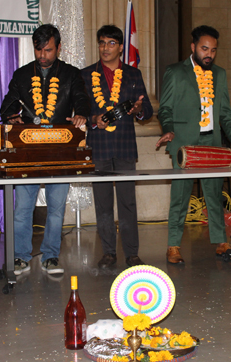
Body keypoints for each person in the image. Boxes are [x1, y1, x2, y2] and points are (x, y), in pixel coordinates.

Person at [156, 25, 231, 264]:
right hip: (184, 142)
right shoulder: (175, 71)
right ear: (193, 47)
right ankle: (173, 246)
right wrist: (168, 129)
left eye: (213, 50)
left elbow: (225, 113)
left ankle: (221, 241)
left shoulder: (219, 74)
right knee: (180, 195)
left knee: (213, 193)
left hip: (212, 141)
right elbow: (165, 108)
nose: (209, 54)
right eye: (204, 48)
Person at [0, 24, 90, 276]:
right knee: (22, 210)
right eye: (39, 50)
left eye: (48, 50)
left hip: (60, 150)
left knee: (56, 209)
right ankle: (20, 257)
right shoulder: (21, 75)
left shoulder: (71, 75)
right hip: (28, 152)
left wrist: (81, 113)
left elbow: (81, 99)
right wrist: (11, 118)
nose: (42, 56)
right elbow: (7, 106)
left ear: (58, 48)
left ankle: (51, 256)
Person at [81, 25, 153, 269]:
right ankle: (109, 253)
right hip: (98, 146)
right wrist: (93, 119)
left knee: (127, 202)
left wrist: (138, 110)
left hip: (123, 146)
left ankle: (132, 253)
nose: (105, 48)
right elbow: (79, 113)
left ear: (121, 47)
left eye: (111, 43)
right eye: (101, 43)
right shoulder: (86, 74)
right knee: (102, 203)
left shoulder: (133, 75)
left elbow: (148, 111)